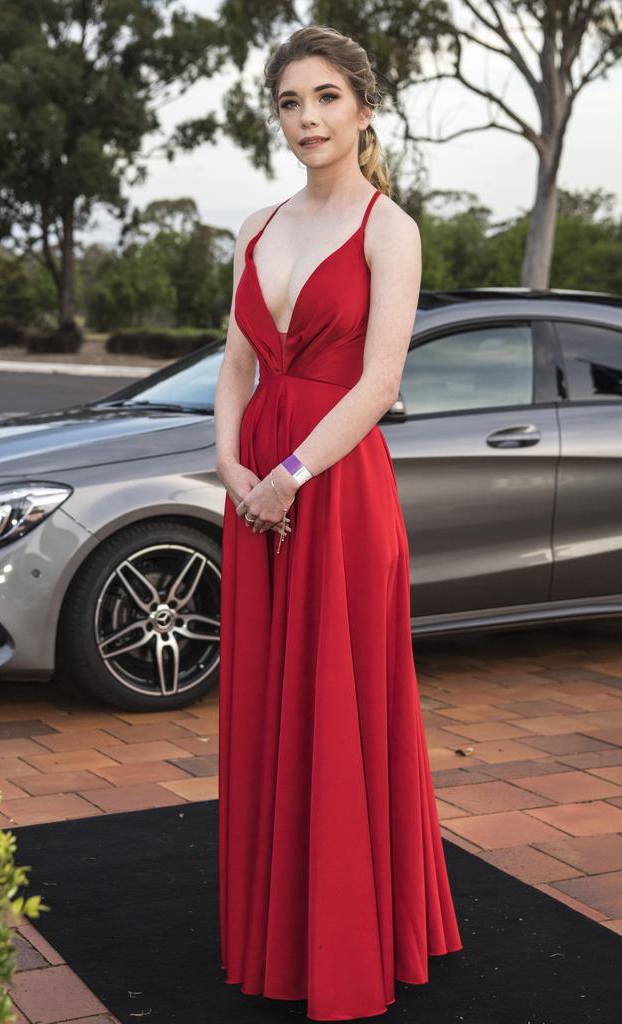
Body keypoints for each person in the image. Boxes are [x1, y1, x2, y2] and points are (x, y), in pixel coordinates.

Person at [214, 23, 463, 1022]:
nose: (306, 118)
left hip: (336, 489)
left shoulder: (388, 228)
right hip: (257, 489)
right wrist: (233, 467)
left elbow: (383, 379)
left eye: (323, 98)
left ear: (362, 107)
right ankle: (275, 929)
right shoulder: (259, 226)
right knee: (272, 705)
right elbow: (235, 367)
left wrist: (289, 472)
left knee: (342, 705)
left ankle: (354, 938)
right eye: (288, 102)